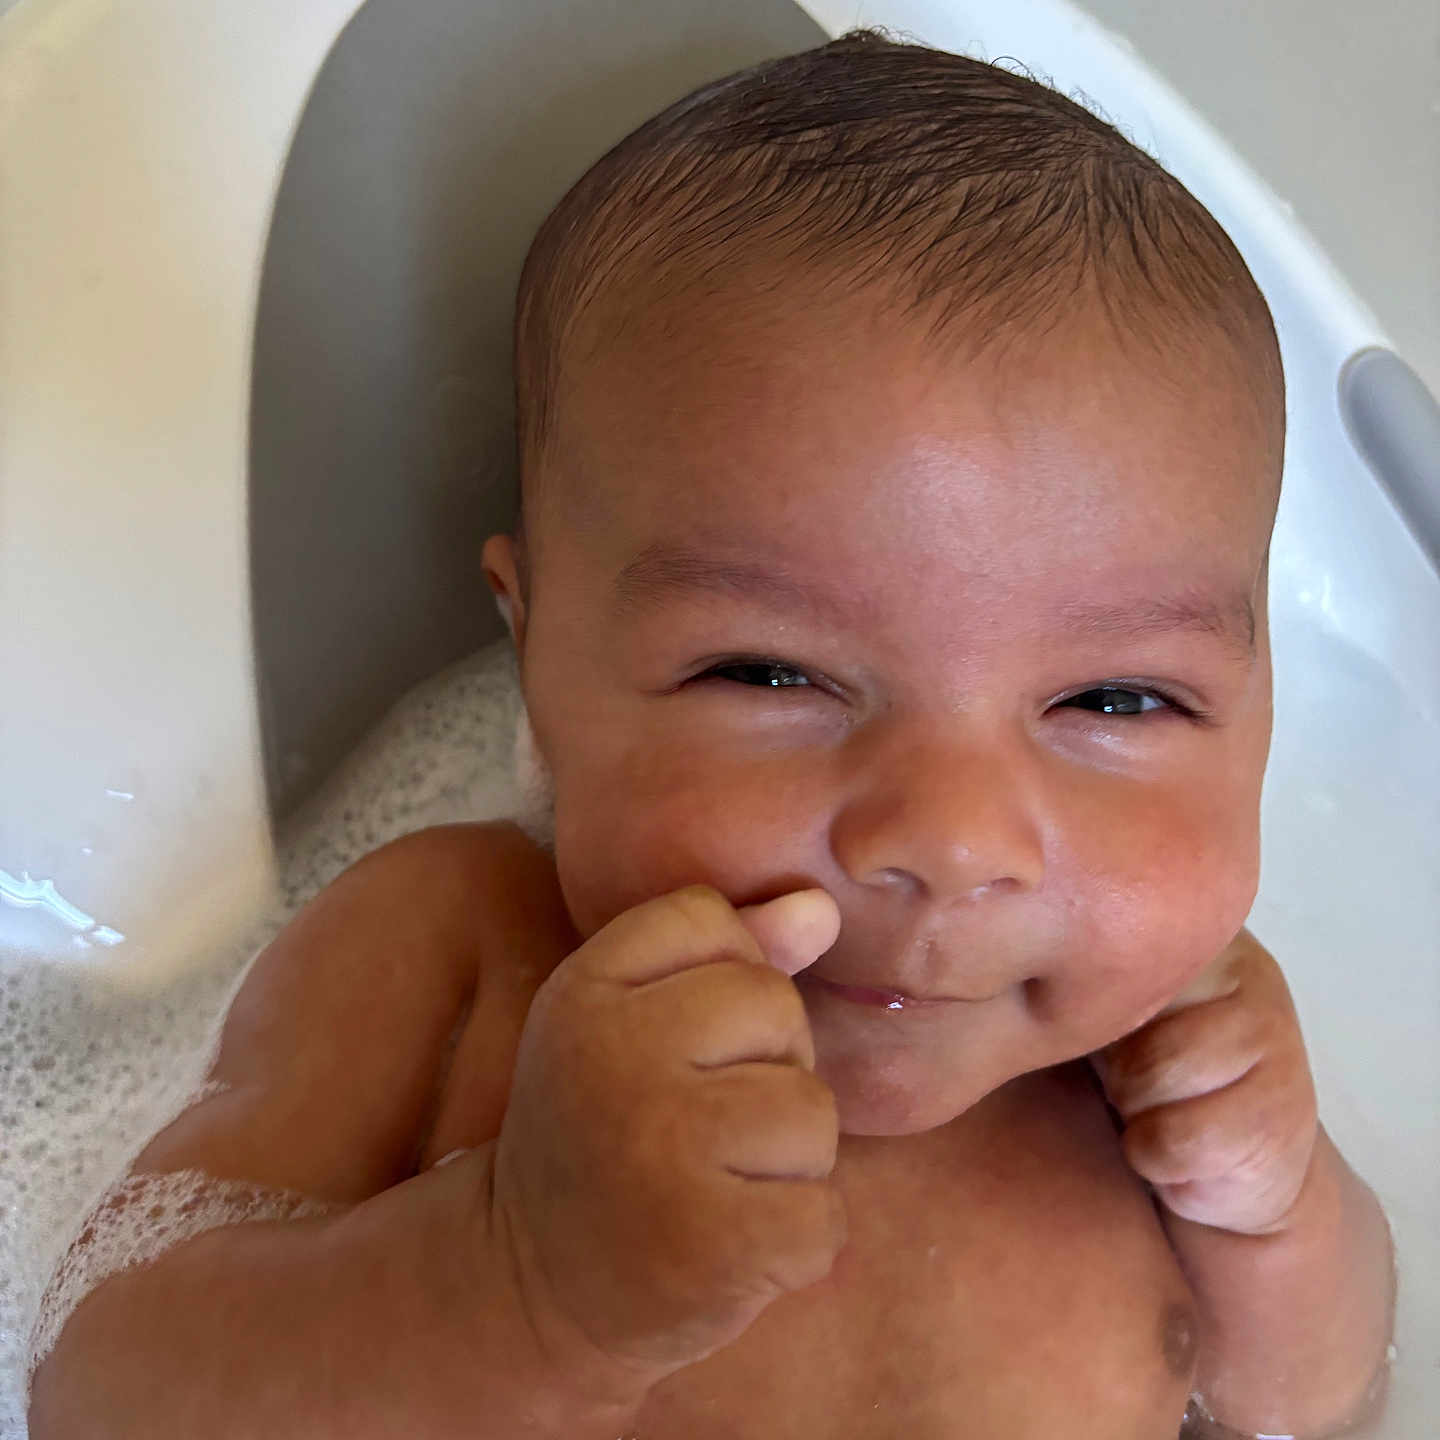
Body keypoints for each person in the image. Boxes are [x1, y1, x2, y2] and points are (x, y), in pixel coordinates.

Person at [29, 30, 1395, 1439]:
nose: (948, 843)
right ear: (535, 652)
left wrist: (1278, 1208)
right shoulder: (455, 948)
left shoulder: (1166, 1042)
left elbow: (1317, 1398)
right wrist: (515, 1286)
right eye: (768, 674)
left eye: (1114, 701)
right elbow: (101, 1386)